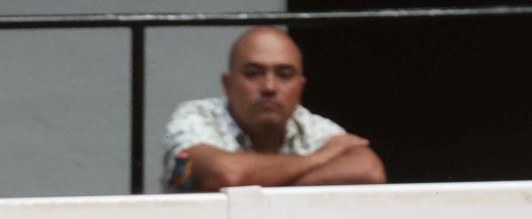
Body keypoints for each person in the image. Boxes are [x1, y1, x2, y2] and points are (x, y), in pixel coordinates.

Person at [161, 25, 386, 193]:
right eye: (253, 73)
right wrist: (318, 159)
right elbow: (226, 174)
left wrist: (255, 183)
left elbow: (368, 171)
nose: (269, 87)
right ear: (228, 85)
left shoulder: (310, 125)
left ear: (300, 88)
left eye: (284, 75)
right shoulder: (195, 116)